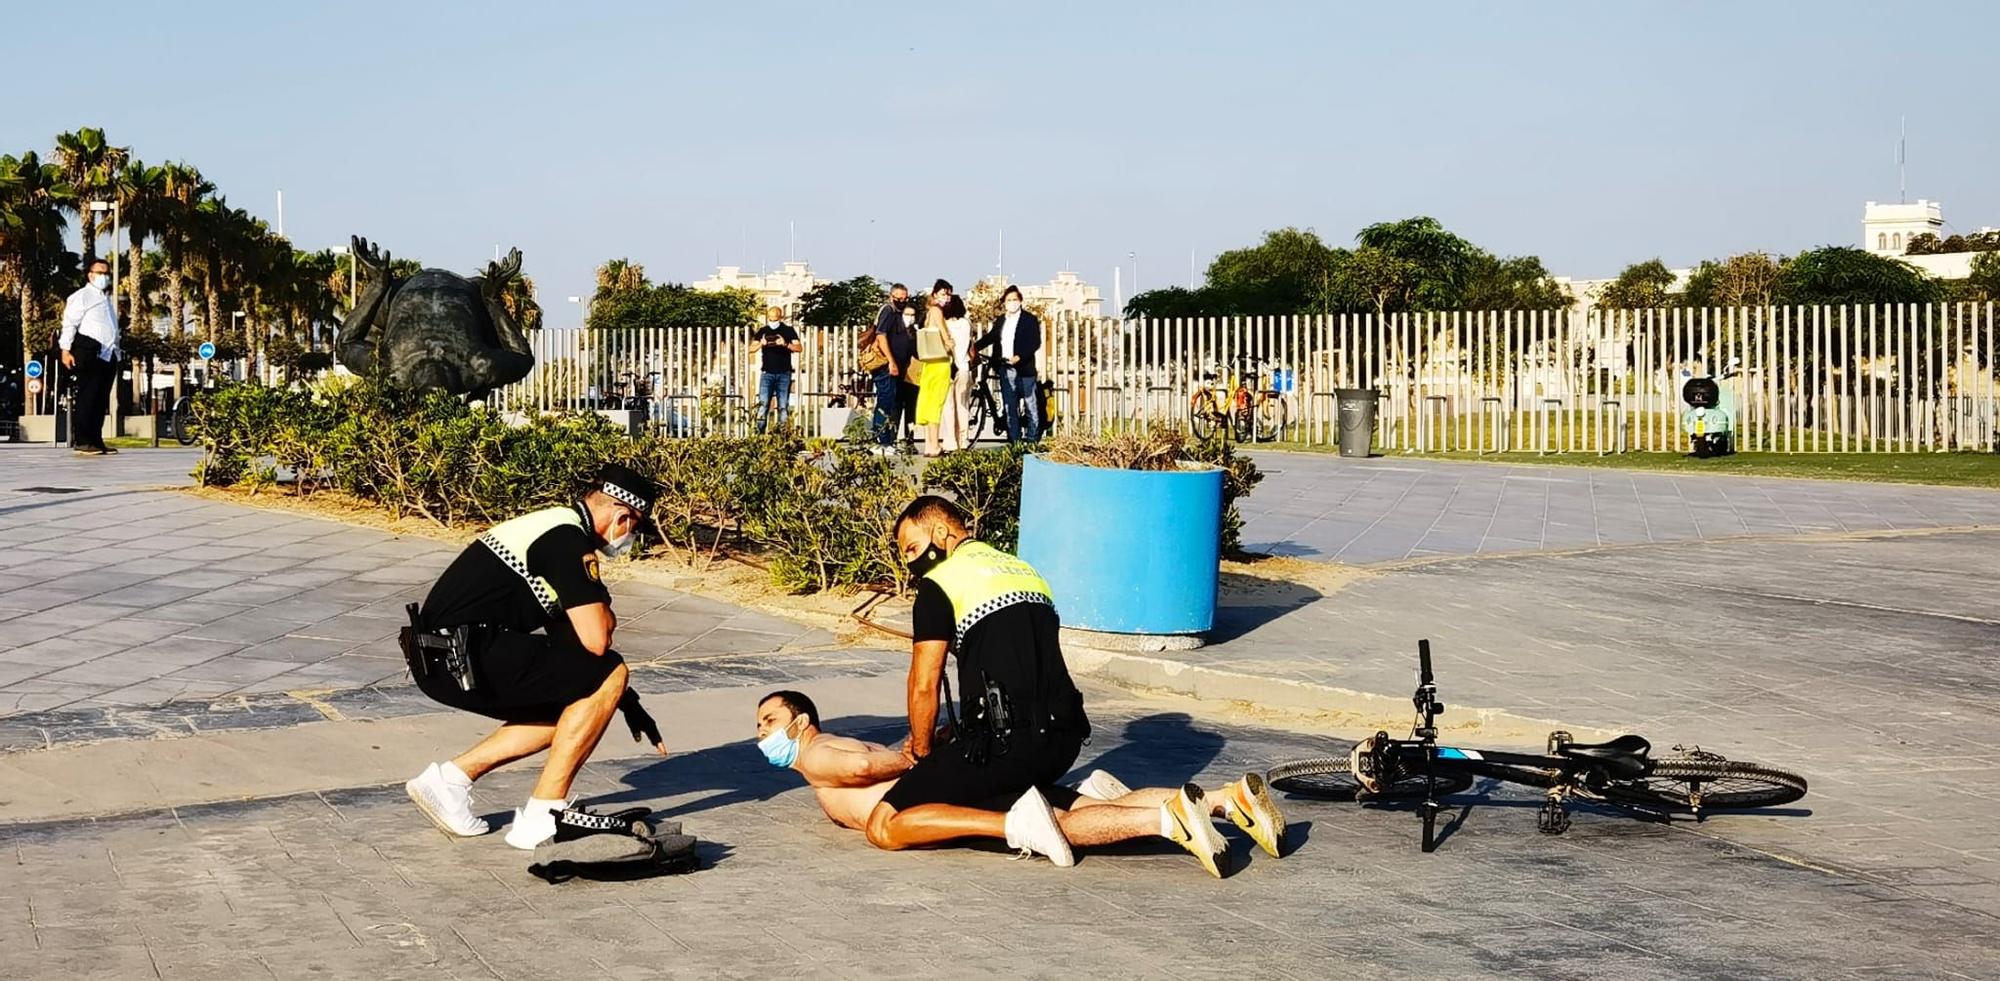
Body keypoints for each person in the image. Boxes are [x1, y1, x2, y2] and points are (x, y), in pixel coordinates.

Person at [860, 496, 1289, 877]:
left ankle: (1165, 820)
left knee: (884, 823)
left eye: (913, 548)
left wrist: (920, 750)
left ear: (940, 531)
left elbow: (923, 683)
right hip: (1061, 739)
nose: (912, 563)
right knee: (1058, 801)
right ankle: (1224, 800)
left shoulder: (942, 584)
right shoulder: (1025, 571)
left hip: (1004, 743)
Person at [401, 462, 669, 850]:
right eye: (636, 528)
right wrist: (611, 669)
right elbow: (597, 639)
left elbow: (576, 648)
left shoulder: (555, 528)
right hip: (463, 655)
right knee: (607, 673)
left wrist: (623, 701)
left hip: (444, 657)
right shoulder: (566, 540)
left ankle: (449, 782)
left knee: (579, 699)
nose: (631, 538)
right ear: (622, 515)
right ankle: (545, 813)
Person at [754, 688, 1290, 871]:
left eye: (769, 722)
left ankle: (1168, 818)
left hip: (930, 801)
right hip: (945, 784)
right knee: (1075, 804)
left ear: (800, 721)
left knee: (1059, 819)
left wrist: (914, 761)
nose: (762, 734)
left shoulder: (815, 752)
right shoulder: (831, 744)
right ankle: (1225, 799)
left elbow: (865, 769)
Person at [59, 258, 121, 456]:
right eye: (100, 272)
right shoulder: (82, 296)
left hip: (109, 354)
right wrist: (65, 350)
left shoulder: (105, 299)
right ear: (90, 275)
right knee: (88, 396)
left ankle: (96, 439)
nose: (104, 276)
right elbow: (70, 323)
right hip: (91, 354)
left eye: (107, 273)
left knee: (101, 399)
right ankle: (83, 440)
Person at [974, 285, 1042, 443]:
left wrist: (1020, 356)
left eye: (1015, 299)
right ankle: (1014, 439)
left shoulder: (1029, 319)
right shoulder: (1002, 320)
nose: (1012, 303)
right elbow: (991, 337)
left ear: (1020, 301)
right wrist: (974, 347)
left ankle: (1032, 438)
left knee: (1030, 403)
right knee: (1009, 405)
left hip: (1024, 368)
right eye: (1008, 300)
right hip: (1005, 367)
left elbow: (1035, 342)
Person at [913, 281, 963, 457]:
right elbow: (946, 337)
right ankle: (934, 445)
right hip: (940, 362)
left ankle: (929, 444)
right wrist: (951, 344)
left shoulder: (927, 313)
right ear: (935, 294)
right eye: (943, 294)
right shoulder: (937, 311)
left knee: (927, 402)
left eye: (948, 294)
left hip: (929, 363)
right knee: (936, 404)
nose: (946, 298)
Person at [863, 286, 906, 448]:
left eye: (904, 298)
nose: (902, 301)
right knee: (885, 401)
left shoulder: (897, 313)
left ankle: (885, 438)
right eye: (899, 298)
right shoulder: (888, 311)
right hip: (884, 366)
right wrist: (891, 361)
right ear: (891, 296)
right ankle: (881, 439)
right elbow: (881, 336)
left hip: (893, 365)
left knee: (889, 402)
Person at [753, 305, 801, 433]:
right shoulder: (762, 331)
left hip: (784, 373)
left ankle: (782, 433)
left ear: (781, 317)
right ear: (767, 318)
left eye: (775, 319)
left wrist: (785, 344)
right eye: (771, 319)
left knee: (783, 406)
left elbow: (799, 348)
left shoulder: (788, 330)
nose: (773, 322)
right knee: (763, 405)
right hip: (767, 373)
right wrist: (760, 344)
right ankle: (759, 434)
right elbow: (750, 349)